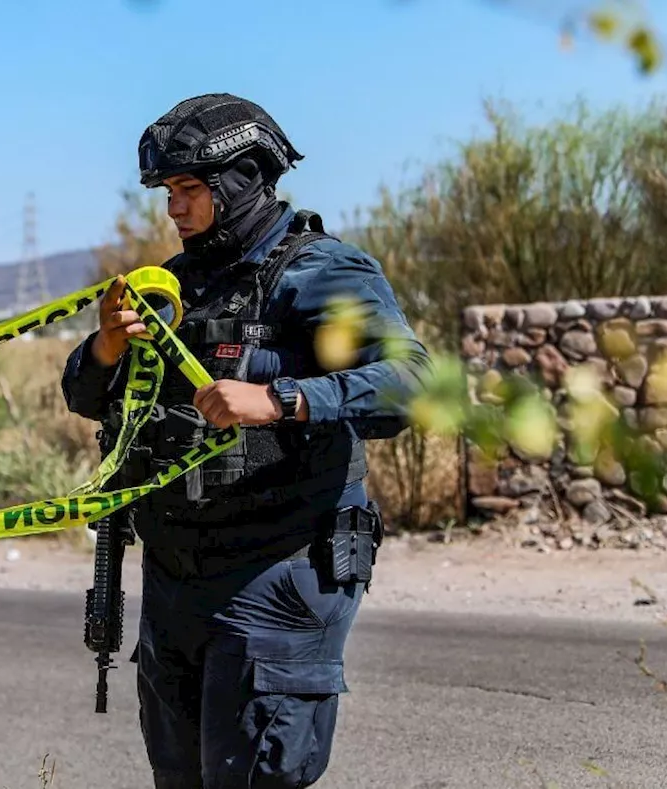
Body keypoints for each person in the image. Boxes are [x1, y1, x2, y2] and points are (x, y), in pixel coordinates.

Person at [60, 93, 432, 789]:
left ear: (242, 180)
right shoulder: (172, 286)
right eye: (169, 192)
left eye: (190, 190)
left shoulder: (321, 271)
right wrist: (107, 345)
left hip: (278, 566)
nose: (175, 209)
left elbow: (410, 382)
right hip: (179, 575)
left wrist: (279, 399)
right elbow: (86, 398)